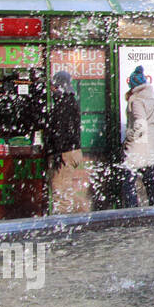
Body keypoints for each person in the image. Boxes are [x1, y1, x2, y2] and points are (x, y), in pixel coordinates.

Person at [123, 66, 154, 206]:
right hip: (152, 147)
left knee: (128, 181)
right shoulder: (153, 98)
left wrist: (129, 136)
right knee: (150, 181)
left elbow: (140, 125)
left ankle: (131, 212)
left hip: (137, 147)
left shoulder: (136, 100)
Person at [46, 70, 85, 214]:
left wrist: (57, 152)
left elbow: (61, 130)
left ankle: (64, 224)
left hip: (64, 153)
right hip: (69, 151)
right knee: (63, 189)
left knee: (61, 191)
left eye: (54, 85)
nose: (51, 88)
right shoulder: (69, 101)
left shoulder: (63, 104)